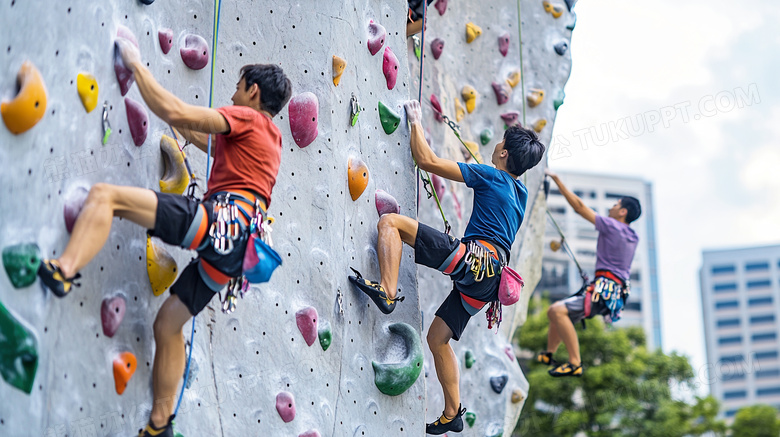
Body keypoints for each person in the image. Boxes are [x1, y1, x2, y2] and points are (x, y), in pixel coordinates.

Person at [36, 37, 291, 437]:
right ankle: (159, 426)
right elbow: (205, 138)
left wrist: (136, 65)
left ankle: (63, 269)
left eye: (238, 87)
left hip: (220, 224)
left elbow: (175, 110)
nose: (231, 93)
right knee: (169, 326)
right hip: (236, 254)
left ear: (253, 91)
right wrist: (182, 126)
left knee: (105, 196)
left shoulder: (249, 119)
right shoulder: (271, 141)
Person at [348, 100, 544, 435]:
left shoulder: (491, 175)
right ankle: (453, 412)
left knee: (390, 223)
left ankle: (388, 291)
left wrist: (415, 120)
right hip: (489, 285)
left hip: (476, 262)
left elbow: (427, 160)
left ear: (504, 155)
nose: (496, 145)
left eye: (500, 143)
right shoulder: (521, 193)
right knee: (438, 338)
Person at [538, 169, 640, 378]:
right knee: (554, 313)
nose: (612, 208)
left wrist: (557, 179)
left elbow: (579, 207)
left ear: (623, 212)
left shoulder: (613, 226)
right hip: (611, 292)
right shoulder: (632, 236)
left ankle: (575, 363)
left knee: (558, 311)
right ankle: (549, 354)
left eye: (615, 205)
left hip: (605, 290)